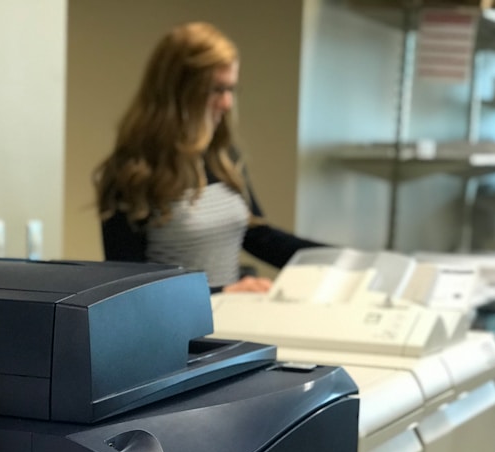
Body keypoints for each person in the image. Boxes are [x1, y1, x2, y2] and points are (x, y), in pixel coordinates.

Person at [93, 21, 323, 293]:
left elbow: (257, 236)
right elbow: (127, 291)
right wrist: (222, 292)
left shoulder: (222, 157)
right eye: (216, 90)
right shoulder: (129, 174)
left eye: (230, 90)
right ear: (178, 92)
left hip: (231, 312)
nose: (227, 104)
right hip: (181, 320)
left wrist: (341, 260)